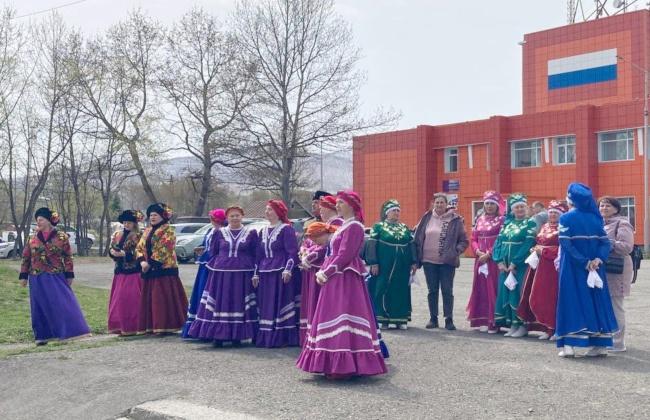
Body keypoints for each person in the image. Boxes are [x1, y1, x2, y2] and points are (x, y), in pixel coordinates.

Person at [297, 190, 387, 378]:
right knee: (333, 315)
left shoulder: (354, 226)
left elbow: (345, 255)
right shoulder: (343, 226)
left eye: (341, 202)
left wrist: (326, 271)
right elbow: (332, 252)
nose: (337, 205)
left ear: (352, 205)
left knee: (343, 315)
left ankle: (344, 364)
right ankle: (333, 362)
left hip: (345, 278)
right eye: (337, 203)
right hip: (336, 276)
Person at [555, 183, 618, 357]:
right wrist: (597, 259)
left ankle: (568, 345)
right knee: (597, 300)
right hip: (596, 267)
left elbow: (566, 244)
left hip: (573, 267)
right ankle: (600, 344)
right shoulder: (595, 218)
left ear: (571, 200)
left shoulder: (566, 218)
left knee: (571, 300)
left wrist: (584, 262)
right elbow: (605, 242)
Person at [188, 206, 260, 347]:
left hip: (242, 273)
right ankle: (218, 336)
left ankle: (237, 336)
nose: (234, 218)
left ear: (242, 216)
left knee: (238, 302)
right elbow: (213, 252)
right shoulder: (219, 233)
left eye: (237, 215)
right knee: (221, 301)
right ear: (227, 218)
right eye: (232, 216)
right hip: (221, 273)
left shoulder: (251, 233)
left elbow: (255, 253)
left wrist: (255, 272)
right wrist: (217, 264)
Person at [19, 207, 90, 345]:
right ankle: (42, 336)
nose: (38, 222)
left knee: (62, 303)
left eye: (41, 220)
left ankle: (70, 332)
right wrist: (23, 276)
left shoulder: (61, 237)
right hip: (36, 276)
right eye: (37, 220)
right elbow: (26, 257)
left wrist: (69, 274)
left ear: (48, 221)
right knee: (38, 306)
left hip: (56, 275)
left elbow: (68, 257)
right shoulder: (32, 238)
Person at [414, 193, 469, 331]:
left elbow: (464, 240)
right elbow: (417, 236)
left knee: (447, 290)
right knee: (432, 290)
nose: (439, 205)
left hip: (447, 262)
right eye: (437, 202)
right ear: (433, 204)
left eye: (442, 202)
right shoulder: (426, 217)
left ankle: (449, 319)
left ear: (446, 204)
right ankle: (433, 319)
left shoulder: (455, 219)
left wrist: (455, 251)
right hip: (428, 261)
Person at [517, 200, 568, 340]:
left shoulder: (564, 228)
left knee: (551, 297)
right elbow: (539, 242)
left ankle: (554, 328)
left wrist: (544, 251)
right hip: (538, 266)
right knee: (537, 296)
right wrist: (535, 248)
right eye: (550, 212)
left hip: (552, 268)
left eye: (555, 213)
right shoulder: (545, 226)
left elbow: (564, 249)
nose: (552, 215)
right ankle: (544, 327)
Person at [254, 199, 301, 347]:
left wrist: (288, 269)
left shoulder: (286, 229)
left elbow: (292, 252)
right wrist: (255, 273)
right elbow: (258, 255)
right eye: (266, 209)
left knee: (280, 302)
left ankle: (282, 337)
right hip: (265, 271)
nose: (267, 212)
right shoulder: (262, 231)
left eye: (270, 209)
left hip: (280, 271)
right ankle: (266, 336)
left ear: (279, 212)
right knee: (266, 303)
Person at [136, 203, 188, 334]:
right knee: (151, 299)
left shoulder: (167, 230)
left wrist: (150, 263)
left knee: (163, 299)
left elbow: (166, 248)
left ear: (162, 216)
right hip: (148, 269)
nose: (152, 217)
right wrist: (142, 261)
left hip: (164, 269)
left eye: (155, 215)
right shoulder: (147, 230)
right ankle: (151, 325)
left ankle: (166, 325)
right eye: (151, 215)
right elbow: (139, 247)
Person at [365, 199, 417, 330]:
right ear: (387, 213)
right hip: (383, 265)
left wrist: (414, 262)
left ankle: (400, 319)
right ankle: (383, 318)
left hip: (402, 266)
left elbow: (412, 245)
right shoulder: (379, 227)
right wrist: (373, 262)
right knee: (382, 288)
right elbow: (371, 245)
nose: (396, 213)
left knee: (400, 289)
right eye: (394, 210)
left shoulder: (404, 227)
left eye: (398, 210)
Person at [492, 193, 537, 338]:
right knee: (505, 293)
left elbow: (528, 245)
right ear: (512, 210)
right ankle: (512, 324)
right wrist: (498, 260)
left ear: (526, 208)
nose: (519, 209)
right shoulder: (507, 224)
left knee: (519, 293)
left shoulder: (530, 223)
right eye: (516, 207)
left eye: (522, 207)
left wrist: (514, 263)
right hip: (504, 266)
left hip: (520, 266)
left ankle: (522, 325)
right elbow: (498, 243)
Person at [181, 208, 227, 338]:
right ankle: (197, 326)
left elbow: (218, 250)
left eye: (213, 219)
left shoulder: (223, 232)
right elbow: (208, 245)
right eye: (211, 218)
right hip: (204, 266)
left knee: (209, 294)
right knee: (200, 292)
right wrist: (202, 249)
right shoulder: (210, 230)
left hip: (213, 266)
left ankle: (209, 327)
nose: (212, 221)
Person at [598, 196, 634, 352]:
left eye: (607, 206)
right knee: (606, 306)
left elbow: (626, 247)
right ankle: (608, 337)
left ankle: (618, 342)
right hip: (603, 269)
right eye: (601, 205)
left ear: (616, 208)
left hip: (617, 269)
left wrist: (606, 241)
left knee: (616, 306)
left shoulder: (622, 223)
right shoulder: (600, 224)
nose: (604, 208)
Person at [466, 191, 505, 333]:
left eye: (492, 204)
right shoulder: (479, 219)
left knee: (493, 289)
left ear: (497, 206)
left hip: (493, 260)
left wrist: (488, 254)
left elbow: (500, 240)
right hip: (480, 259)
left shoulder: (502, 220)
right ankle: (482, 319)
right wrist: (477, 252)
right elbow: (473, 238)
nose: (489, 206)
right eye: (487, 203)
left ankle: (494, 321)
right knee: (480, 289)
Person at [298, 222, 336, 346]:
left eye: (315, 238)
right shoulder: (327, 241)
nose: (314, 241)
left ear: (322, 234)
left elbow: (323, 251)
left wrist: (307, 258)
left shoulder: (331, 240)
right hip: (323, 273)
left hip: (332, 275)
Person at [108, 210, 144, 336]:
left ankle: (134, 326)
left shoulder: (139, 235)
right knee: (118, 300)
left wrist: (126, 254)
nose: (126, 225)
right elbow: (112, 247)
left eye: (129, 222)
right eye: (124, 222)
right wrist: (112, 253)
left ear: (134, 223)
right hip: (120, 271)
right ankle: (120, 326)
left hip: (133, 271)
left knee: (131, 299)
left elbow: (141, 251)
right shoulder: (117, 234)